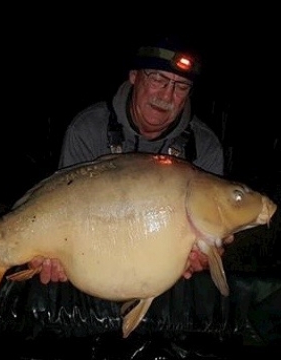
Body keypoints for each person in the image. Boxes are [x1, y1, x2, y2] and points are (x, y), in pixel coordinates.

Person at [29, 35, 233, 285]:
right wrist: (54, 257)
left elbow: (207, 242)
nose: (167, 96)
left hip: (164, 285)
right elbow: (62, 207)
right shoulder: (87, 129)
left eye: (181, 87)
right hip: (93, 270)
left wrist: (205, 257)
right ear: (134, 76)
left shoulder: (205, 147)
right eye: (158, 80)